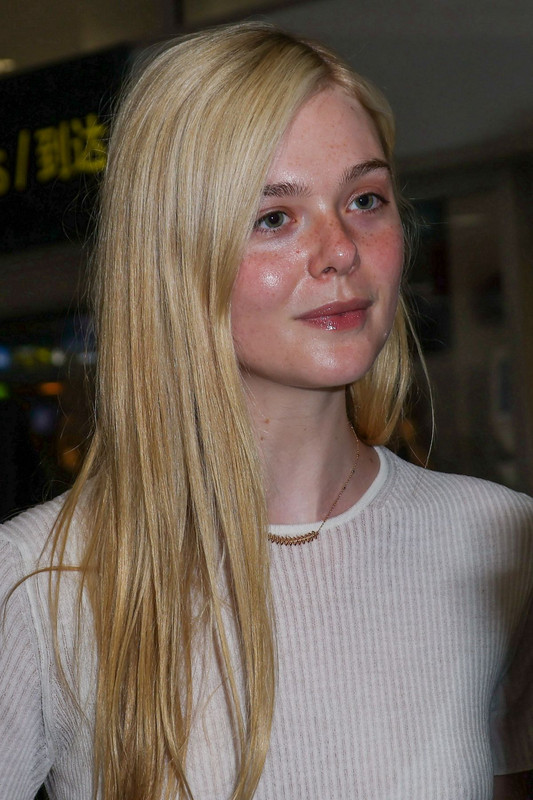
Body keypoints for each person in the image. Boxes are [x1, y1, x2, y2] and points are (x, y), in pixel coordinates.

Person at [1, 21, 532, 800]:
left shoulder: (501, 543)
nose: (340, 250)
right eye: (274, 217)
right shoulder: (39, 580)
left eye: (364, 200)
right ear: (172, 256)